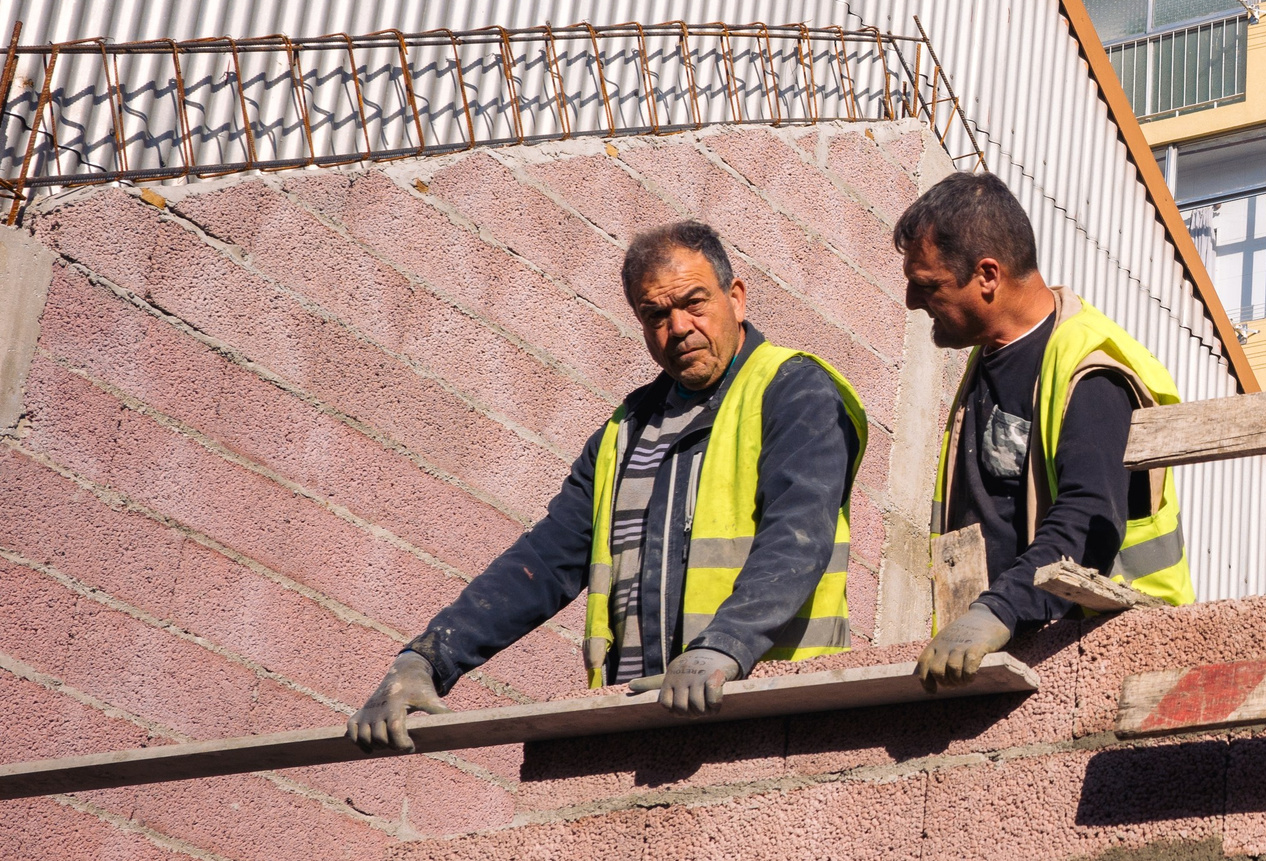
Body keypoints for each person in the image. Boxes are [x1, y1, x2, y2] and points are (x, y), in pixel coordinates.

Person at [348, 221, 867, 751]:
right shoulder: (626, 432)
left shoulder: (792, 389)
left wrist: (725, 648)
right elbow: (545, 562)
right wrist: (426, 660)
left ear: (736, 299)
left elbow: (798, 532)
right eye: (656, 315)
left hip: (776, 715)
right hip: (640, 728)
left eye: (694, 303)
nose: (679, 327)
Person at [897, 172, 1192, 690]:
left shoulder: (1090, 368)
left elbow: (1088, 517)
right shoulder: (988, 359)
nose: (911, 301)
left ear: (987, 275)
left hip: (1110, 656)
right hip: (1012, 655)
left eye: (928, 285)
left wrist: (998, 613)